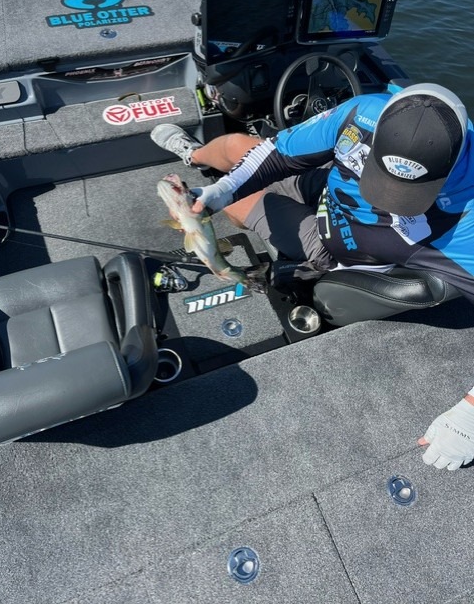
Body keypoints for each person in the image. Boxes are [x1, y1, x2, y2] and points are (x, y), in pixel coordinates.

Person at [151, 82, 474, 471]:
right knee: (237, 149)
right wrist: (220, 191)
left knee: (244, 205)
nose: (386, 197)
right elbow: (275, 151)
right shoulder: (363, 113)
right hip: (331, 190)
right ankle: (193, 154)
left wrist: (469, 416)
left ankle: (241, 201)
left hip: (334, 250)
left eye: (406, 192)